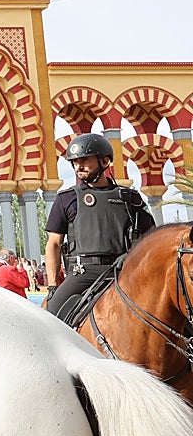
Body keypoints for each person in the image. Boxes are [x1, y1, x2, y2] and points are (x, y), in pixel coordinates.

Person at [44, 132, 154, 319]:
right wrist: (53, 286)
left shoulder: (130, 198)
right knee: (51, 316)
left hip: (124, 270)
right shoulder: (66, 199)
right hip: (83, 273)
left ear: (104, 161)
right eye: (74, 162)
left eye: (85, 160)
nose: (78, 166)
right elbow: (53, 243)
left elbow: (151, 238)